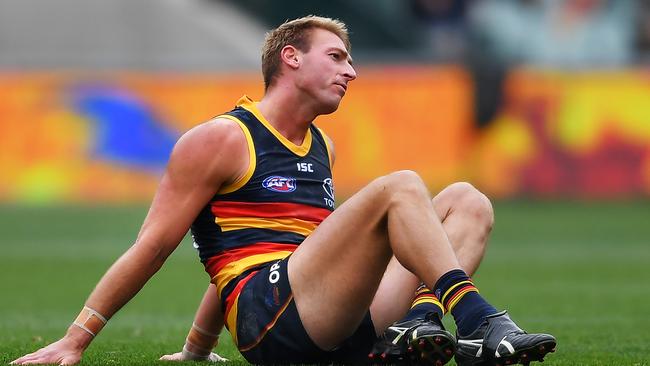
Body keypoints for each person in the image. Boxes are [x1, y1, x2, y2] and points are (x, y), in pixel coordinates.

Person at [12, 15, 556, 366]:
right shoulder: (221, 139)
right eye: (337, 57)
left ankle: (416, 326)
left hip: (325, 314)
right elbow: (154, 249)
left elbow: (293, 249)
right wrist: (76, 339)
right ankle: (475, 318)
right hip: (270, 320)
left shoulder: (323, 147)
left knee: (468, 199)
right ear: (290, 58)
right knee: (401, 188)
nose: (353, 71)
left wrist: (196, 351)